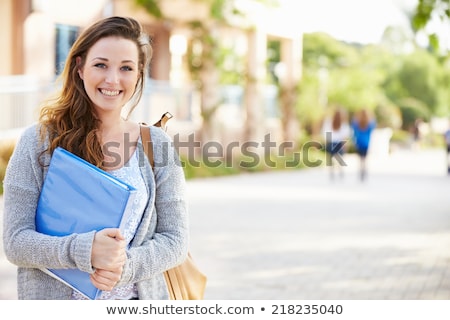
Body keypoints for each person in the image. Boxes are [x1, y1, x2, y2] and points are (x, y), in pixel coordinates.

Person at [2, 16, 188, 300]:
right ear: (80, 67)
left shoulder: (156, 144)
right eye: (101, 65)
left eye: (126, 68)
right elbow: (16, 242)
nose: (112, 79)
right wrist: (85, 250)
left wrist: (123, 267)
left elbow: (175, 240)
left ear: (139, 75)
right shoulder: (38, 141)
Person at [322, 108, 350, 180]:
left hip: (331, 142)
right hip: (339, 143)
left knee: (331, 159)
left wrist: (327, 141)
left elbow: (325, 132)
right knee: (339, 159)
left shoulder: (329, 122)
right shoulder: (343, 123)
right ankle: (340, 171)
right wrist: (345, 144)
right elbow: (345, 135)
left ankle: (332, 172)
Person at [351, 108, 376, 181]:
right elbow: (373, 125)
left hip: (359, 142)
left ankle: (361, 169)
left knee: (360, 159)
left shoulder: (357, 123)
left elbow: (354, 128)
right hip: (366, 143)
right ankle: (364, 169)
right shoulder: (369, 123)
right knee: (364, 159)